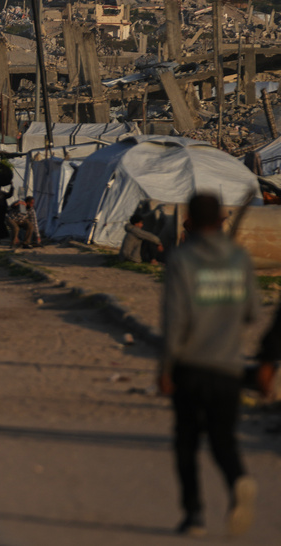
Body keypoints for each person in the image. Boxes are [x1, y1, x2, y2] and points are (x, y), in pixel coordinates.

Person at [160, 193, 259, 537]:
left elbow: (174, 320)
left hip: (190, 365)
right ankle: (238, 478)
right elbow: (251, 314)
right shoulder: (239, 258)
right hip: (229, 366)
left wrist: (165, 368)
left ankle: (194, 514)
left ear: (190, 218)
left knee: (186, 441)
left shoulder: (182, 258)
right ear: (220, 219)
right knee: (223, 438)